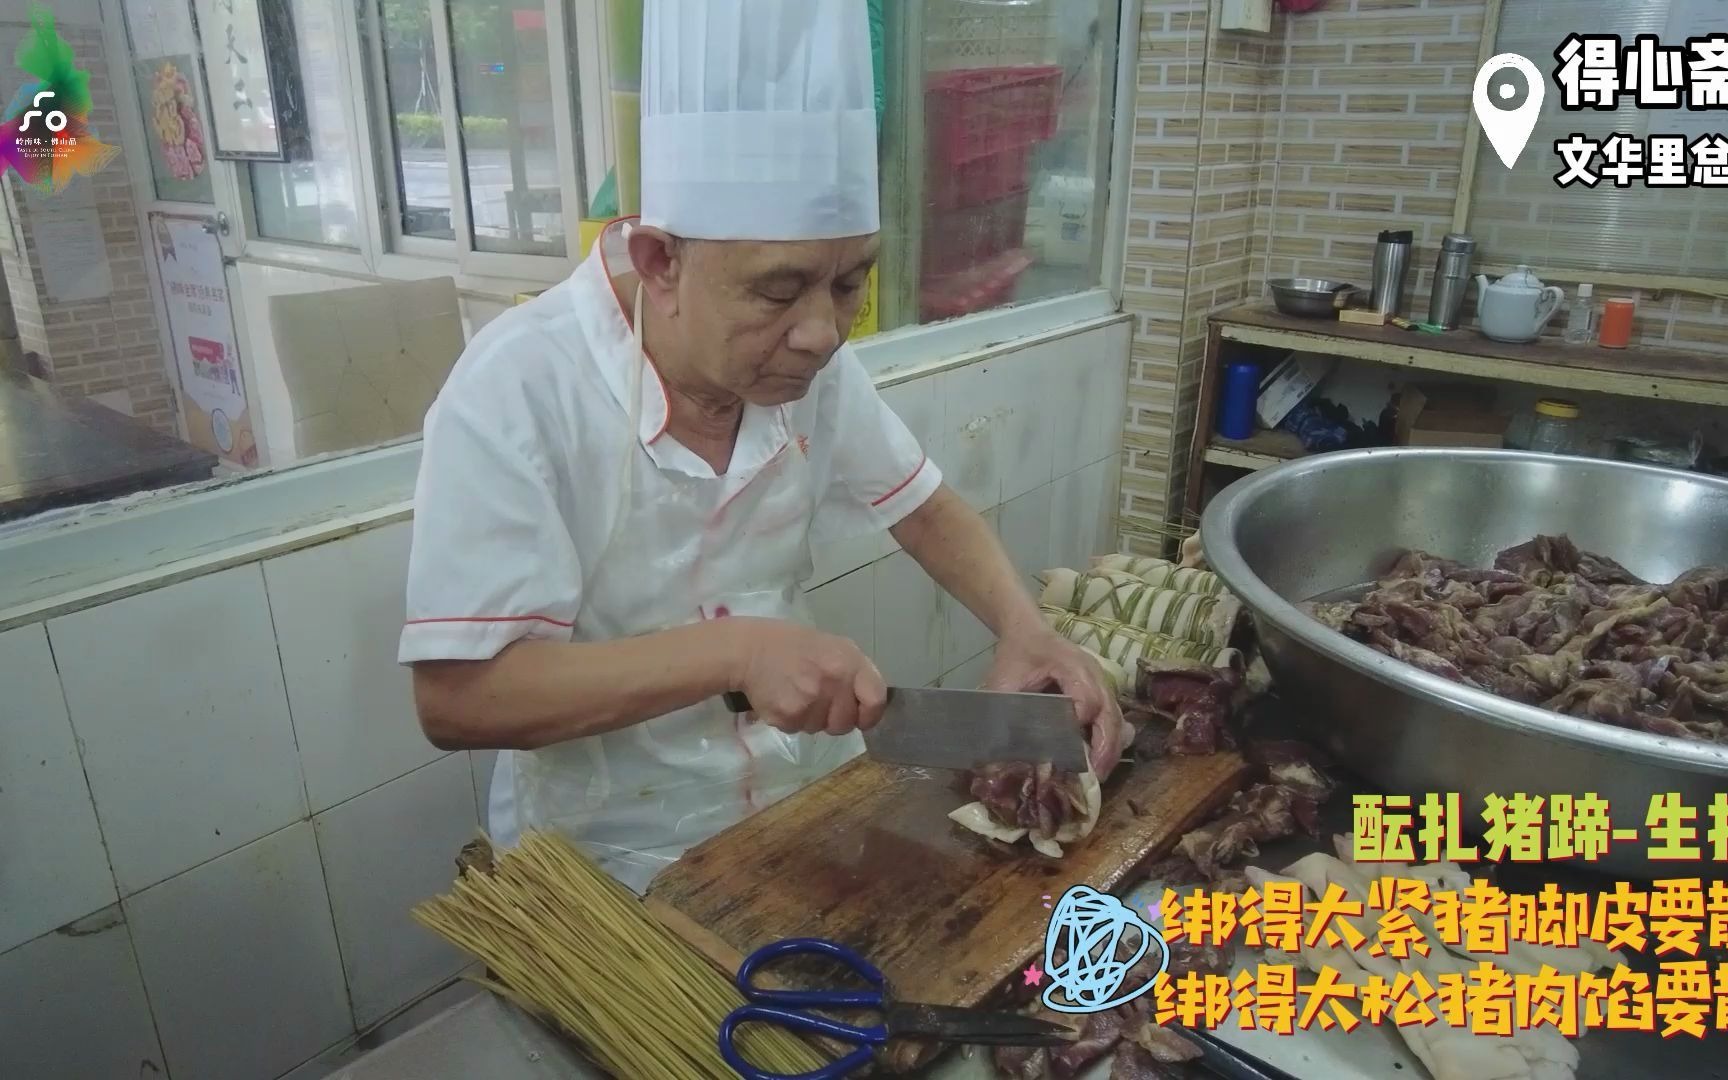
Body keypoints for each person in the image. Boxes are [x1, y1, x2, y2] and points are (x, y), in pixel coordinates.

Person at [398, 0, 1128, 894]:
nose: (822, 332)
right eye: (779, 290)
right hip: (614, 870)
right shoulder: (519, 389)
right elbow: (458, 700)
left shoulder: (804, 362)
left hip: (801, 820)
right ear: (660, 261)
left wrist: (1027, 630)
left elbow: (925, 506)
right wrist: (736, 654)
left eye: (849, 280)